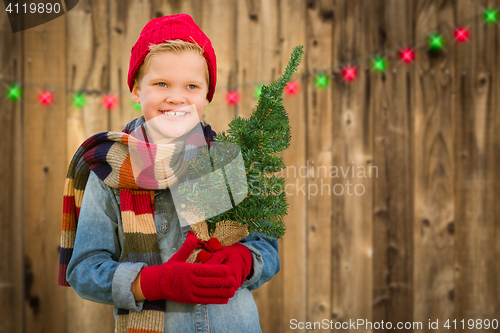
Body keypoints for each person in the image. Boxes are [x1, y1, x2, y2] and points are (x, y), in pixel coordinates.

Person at [59, 13, 280, 333]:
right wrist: (155, 282)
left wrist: (244, 260)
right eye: (161, 83)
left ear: (207, 95)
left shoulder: (227, 161)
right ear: (136, 89)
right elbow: (84, 271)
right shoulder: (111, 170)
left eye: (191, 85)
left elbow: (266, 248)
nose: (176, 97)